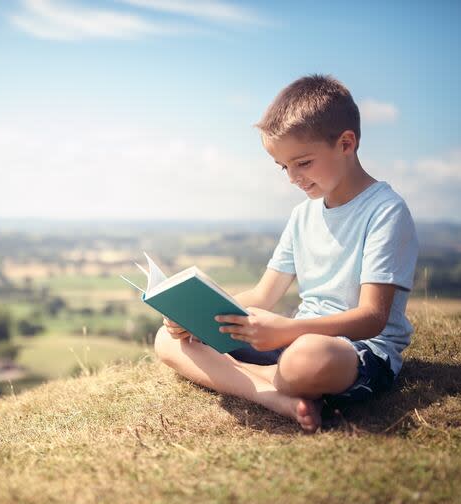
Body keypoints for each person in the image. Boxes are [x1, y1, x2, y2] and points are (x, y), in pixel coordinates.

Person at [154, 74, 419, 433]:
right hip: (293, 339)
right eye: (284, 167)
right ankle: (270, 393)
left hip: (354, 351)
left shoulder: (386, 211)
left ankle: (260, 378)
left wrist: (287, 330)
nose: (292, 177)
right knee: (168, 339)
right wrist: (196, 317)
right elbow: (264, 295)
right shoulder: (302, 215)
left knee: (304, 359)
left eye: (303, 163)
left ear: (346, 143)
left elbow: (372, 318)